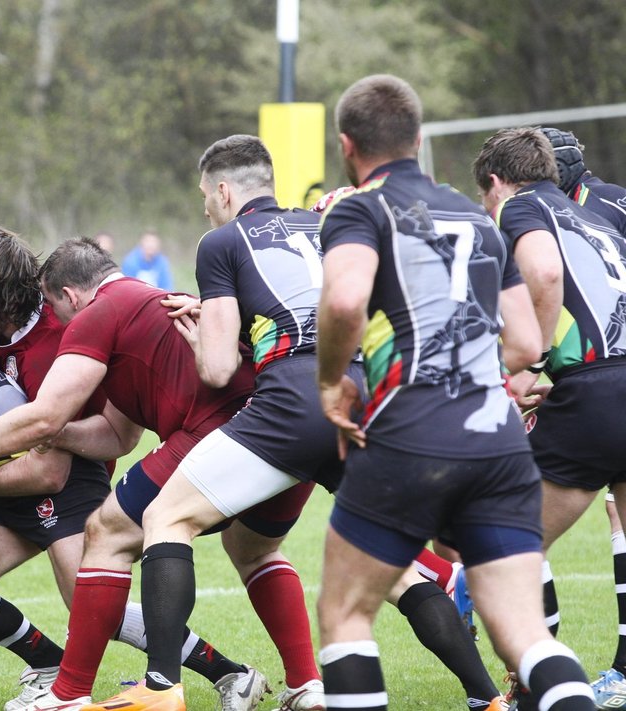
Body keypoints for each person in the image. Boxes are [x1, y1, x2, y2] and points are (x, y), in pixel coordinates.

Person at [134, 135, 508, 711]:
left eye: (205, 196)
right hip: (363, 402)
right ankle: (486, 699)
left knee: (165, 516)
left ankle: (160, 690)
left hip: (292, 403)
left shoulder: (221, 242)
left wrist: (202, 333)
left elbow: (217, 370)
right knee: (400, 569)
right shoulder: (330, 225)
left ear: (225, 190)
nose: (205, 207)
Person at [0, 227, 263, 711]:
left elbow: (51, 469)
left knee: (94, 607)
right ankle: (24, 667)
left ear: (1, 300)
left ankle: (229, 673)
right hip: (11, 476)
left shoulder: (62, 338)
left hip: (68, 483)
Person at [0, 238, 324, 711]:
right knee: (257, 550)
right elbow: (116, 431)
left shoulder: (87, 320)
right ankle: (305, 685)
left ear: (66, 297)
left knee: (109, 546)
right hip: (285, 420)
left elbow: (60, 435)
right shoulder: (118, 308)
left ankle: (107, 692)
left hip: (133, 460)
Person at [313, 74, 594, 711]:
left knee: (346, 616)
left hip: (408, 433)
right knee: (524, 635)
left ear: (346, 145)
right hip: (497, 440)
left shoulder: (359, 208)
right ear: (418, 139)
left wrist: (332, 384)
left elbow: (347, 298)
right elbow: (525, 342)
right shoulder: (475, 214)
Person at [474, 126, 626, 709]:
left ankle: (535, 688)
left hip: (597, 395)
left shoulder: (521, 206)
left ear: (495, 183)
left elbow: (540, 273)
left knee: (502, 542)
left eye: (486, 200)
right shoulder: (595, 216)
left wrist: (527, 360)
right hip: (608, 384)